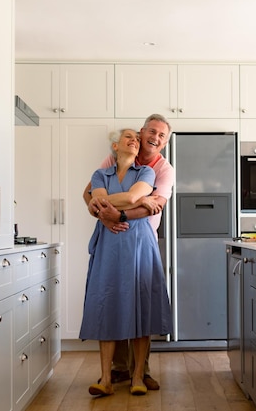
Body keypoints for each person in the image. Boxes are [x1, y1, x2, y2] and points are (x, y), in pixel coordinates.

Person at [79, 128, 173, 396]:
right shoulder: (101, 173)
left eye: (136, 137)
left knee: (141, 305)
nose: (134, 141)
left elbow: (125, 199)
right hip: (108, 241)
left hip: (140, 243)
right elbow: (93, 199)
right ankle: (106, 379)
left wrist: (124, 201)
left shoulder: (149, 172)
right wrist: (136, 199)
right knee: (106, 304)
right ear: (115, 145)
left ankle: (138, 377)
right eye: (128, 137)